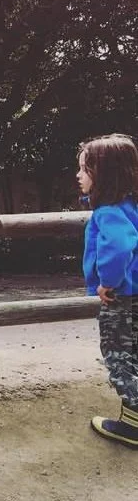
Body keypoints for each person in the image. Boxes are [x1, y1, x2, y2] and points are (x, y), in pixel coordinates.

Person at [78, 134, 138, 447]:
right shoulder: (131, 207)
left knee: (119, 359)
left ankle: (133, 426)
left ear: (103, 175)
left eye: (84, 170)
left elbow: (118, 246)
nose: (78, 176)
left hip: (120, 299)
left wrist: (108, 282)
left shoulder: (109, 212)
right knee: (135, 356)